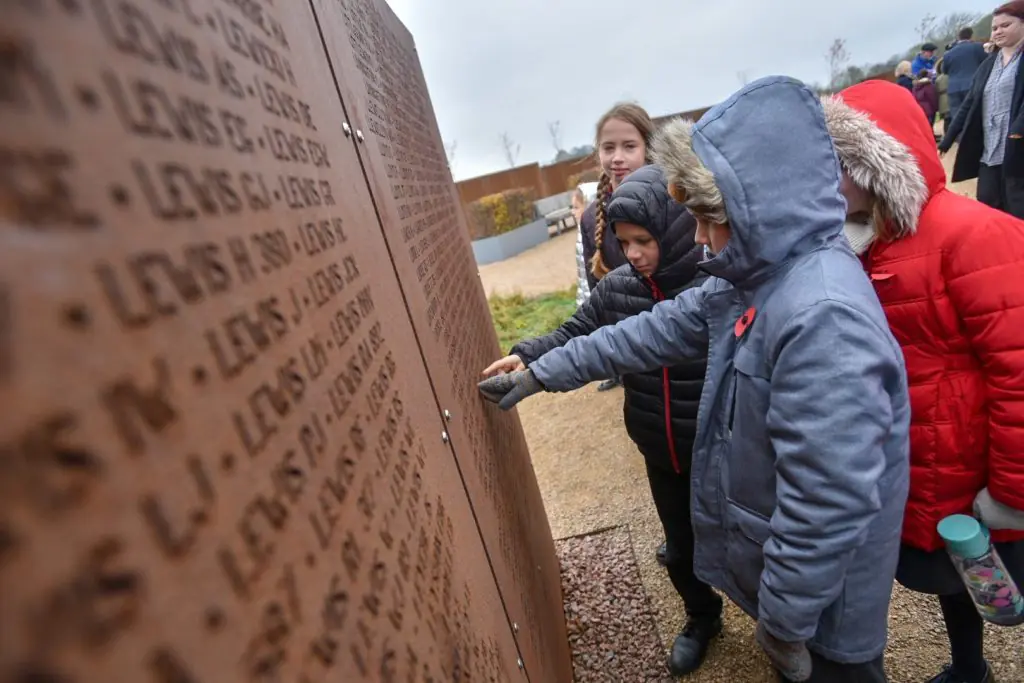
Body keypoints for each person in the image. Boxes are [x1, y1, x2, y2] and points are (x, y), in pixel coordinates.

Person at [479, 76, 910, 683]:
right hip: (801, 591)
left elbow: (827, 503)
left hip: (825, 613)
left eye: (711, 219)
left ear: (761, 207)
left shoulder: (823, 318)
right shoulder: (756, 277)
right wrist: (544, 370)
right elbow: (646, 332)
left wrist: (785, 622)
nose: (701, 239)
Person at [822, 79, 1024, 683]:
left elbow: (1018, 369)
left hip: (983, 464)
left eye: (839, 166)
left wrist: (1013, 489)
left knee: (1014, 580)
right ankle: (969, 669)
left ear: (876, 164)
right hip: (931, 464)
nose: (826, 183)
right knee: (958, 579)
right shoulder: (863, 245)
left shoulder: (973, 235)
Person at [485, 166, 718, 676]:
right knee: (680, 552)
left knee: (740, 543)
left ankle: (778, 628)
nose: (632, 253)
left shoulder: (713, 284)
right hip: (660, 448)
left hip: (718, 447)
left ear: (676, 230)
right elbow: (577, 330)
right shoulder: (617, 290)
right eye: (623, 241)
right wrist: (527, 355)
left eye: (643, 241)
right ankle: (702, 615)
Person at [578, 103, 655, 392]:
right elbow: (597, 291)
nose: (617, 157)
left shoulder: (673, 197)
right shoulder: (590, 218)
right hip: (631, 348)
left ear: (647, 147)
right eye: (608, 147)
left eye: (629, 146)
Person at [940, 1, 1024, 218]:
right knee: (989, 205)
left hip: (1017, 148)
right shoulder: (988, 64)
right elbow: (969, 104)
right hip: (991, 151)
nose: (998, 32)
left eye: (1005, 25)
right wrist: (947, 140)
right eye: (994, 28)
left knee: (1018, 207)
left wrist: (1017, 130)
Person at [941, 27, 988, 121]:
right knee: (974, 116)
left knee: (957, 118)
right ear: (971, 36)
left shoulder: (948, 53)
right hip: (973, 85)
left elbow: (944, 70)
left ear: (959, 37)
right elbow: (987, 62)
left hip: (953, 88)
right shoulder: (978, 47)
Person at [571, 181, 599, 307]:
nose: (573, 212)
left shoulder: (596, 235)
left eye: (576, 207)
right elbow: (582, 275)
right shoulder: (581, 233)